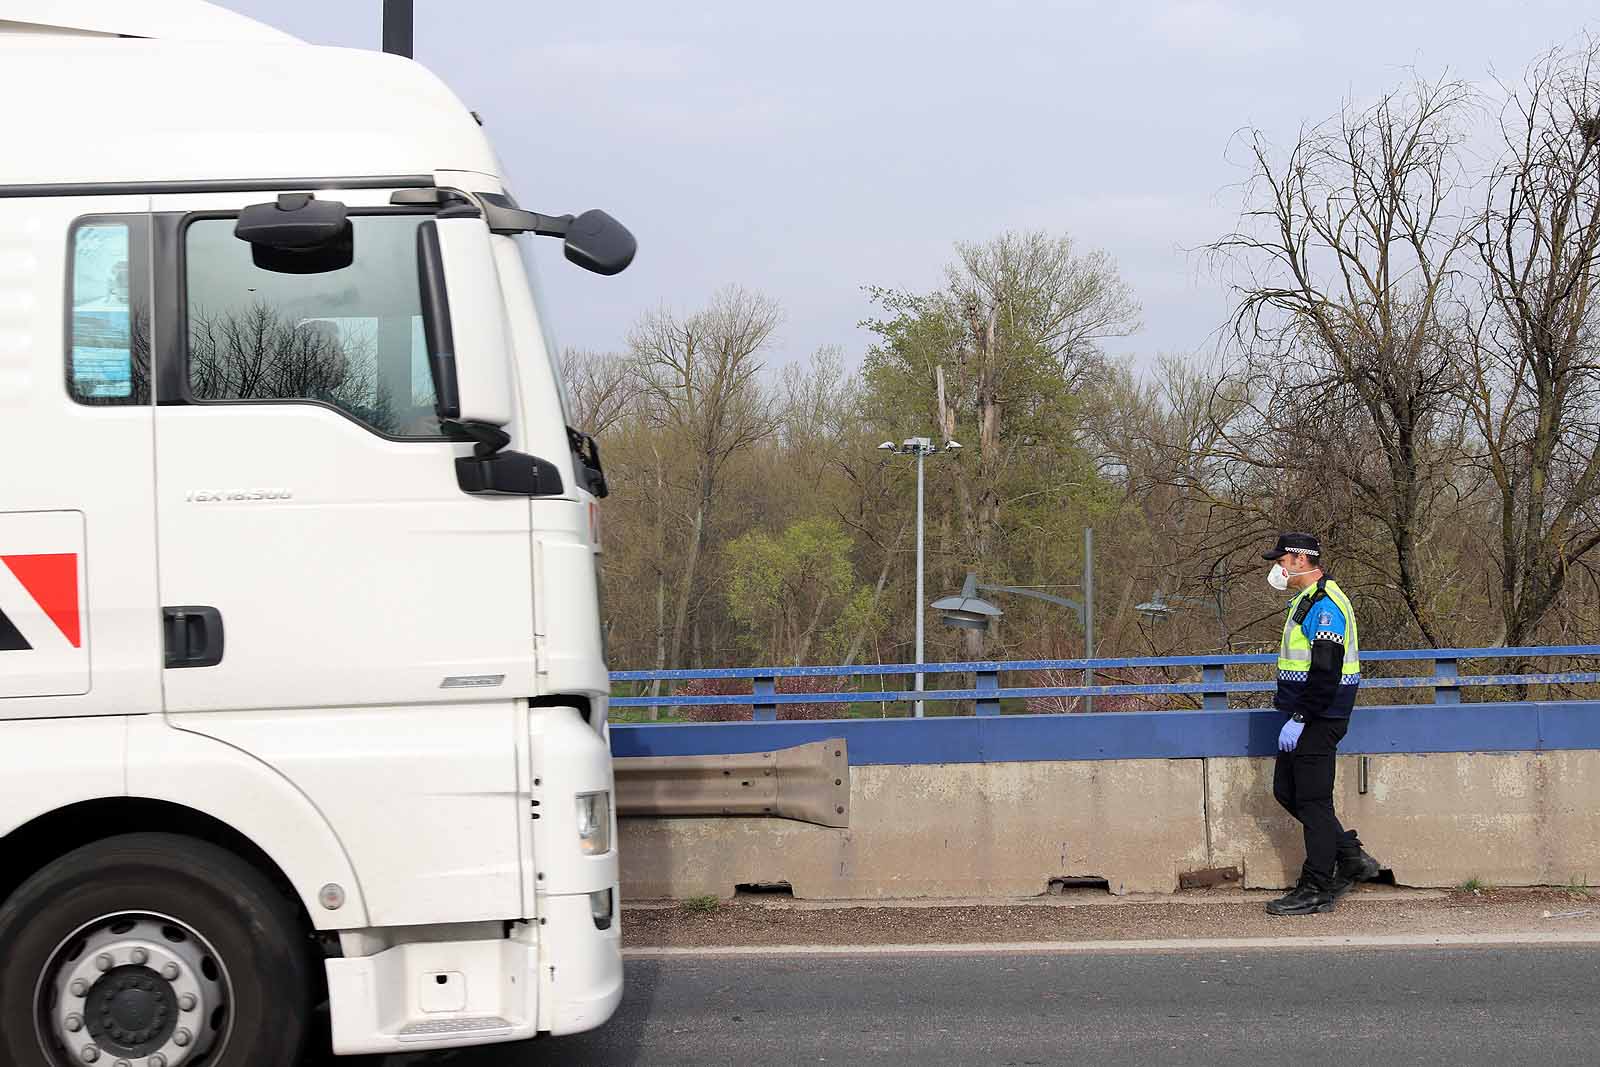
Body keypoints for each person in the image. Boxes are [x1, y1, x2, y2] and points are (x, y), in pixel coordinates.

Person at [1260, 532, 1382, 916]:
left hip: (1319, 716)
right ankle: (1351, 857)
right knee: (1288, 792)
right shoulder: (1306, 601)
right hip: (1305, 715)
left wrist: (1301, 717)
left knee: (1312, 802)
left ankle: (1317, 887)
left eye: (1281, 560)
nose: (1277, 568)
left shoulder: (1325, 605)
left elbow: (1326, 671)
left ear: (1299, 560)